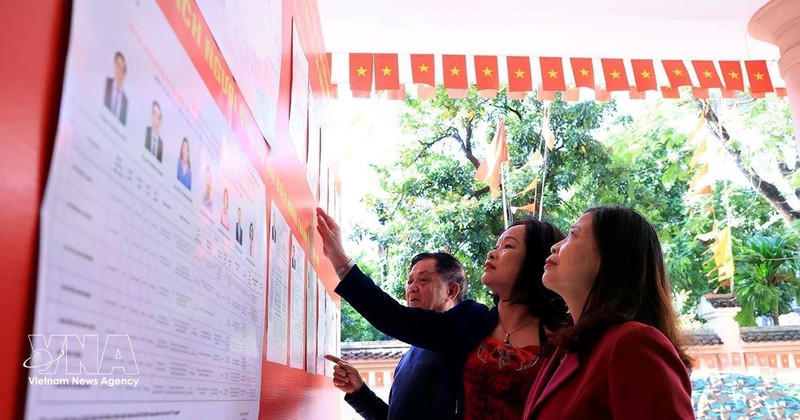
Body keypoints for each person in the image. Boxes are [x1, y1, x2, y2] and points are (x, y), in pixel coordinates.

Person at [316, 207, 568, 419]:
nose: (492, 252)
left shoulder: (563, 338)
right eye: (495, 245)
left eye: (508, 247)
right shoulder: (471, 320)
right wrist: (339, 259)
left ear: (537, 261)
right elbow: (393, 317)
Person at [523, 206, 694, 419]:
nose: (555, 247)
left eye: (573, 235)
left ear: (613, 254)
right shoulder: (561, 349)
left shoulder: (633, 343)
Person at [326, 252, 467, 420]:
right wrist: (359, 392)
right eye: (410, 281)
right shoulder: (410, 355)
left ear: (451, 291)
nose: (412, 288)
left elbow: (391, 316)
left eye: (423, 280)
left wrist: (341, 262)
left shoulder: (462, 336)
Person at [103, 51, 128, 124]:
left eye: (121, 68)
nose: (118, 70)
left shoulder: (125, 100)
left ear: (124, 73)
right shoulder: (107, 83)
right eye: (117, 65)